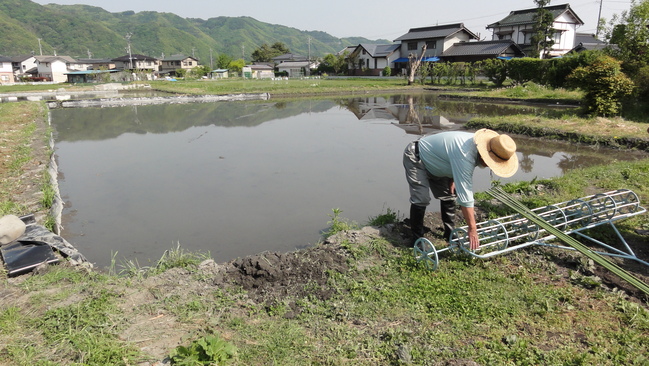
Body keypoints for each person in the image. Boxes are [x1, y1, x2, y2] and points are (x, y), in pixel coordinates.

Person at [403, 128, 519, 249]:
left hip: (439, 161)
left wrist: (453, 177)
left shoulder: (475, 148)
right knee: (421, 198)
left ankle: (450, 233)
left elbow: (451, 155)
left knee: (449, 194)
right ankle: (417, 238)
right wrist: (472, 228)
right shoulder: (466, 154)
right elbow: (466, 196)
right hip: (417, 157)